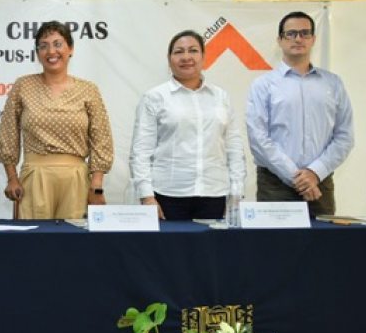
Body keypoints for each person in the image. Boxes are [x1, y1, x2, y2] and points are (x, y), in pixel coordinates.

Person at [0, 21, 113, 219]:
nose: (51, 51)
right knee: (34, 245)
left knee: (73, 245)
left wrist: (97, 186)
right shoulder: (23, 86)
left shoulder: (88, 90)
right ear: (37, 52)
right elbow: (8, 133)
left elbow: (102, 139)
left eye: (58, 44)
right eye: (43, 45)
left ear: (71, 49)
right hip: (34, 179)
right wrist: (12, 178)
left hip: (76, 180)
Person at [129, 30, 245, 220]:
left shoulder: (221, 97)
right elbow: (141, 151)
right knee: (169, 250)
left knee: (211, 250)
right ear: (169, 59)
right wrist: (147, 196)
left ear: (203, 57)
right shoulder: (155, 97)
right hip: (168, 195)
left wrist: (236, 191)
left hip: (214, 193)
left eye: (193, 50)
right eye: (178, 52)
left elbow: (234, 147)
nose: (186, 57)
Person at [246, 11, 354, 216]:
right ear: (280, 40)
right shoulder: (263, 85)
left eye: (305, 33)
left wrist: (314, 172)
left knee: (322, 246)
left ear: (313, 39)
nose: (298, 39)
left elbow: (344, 136)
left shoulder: (333, 83)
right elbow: (258, 139)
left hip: (319, 183)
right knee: (275, 246)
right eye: (291, 33)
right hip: (275, 185)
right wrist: (297, 177)